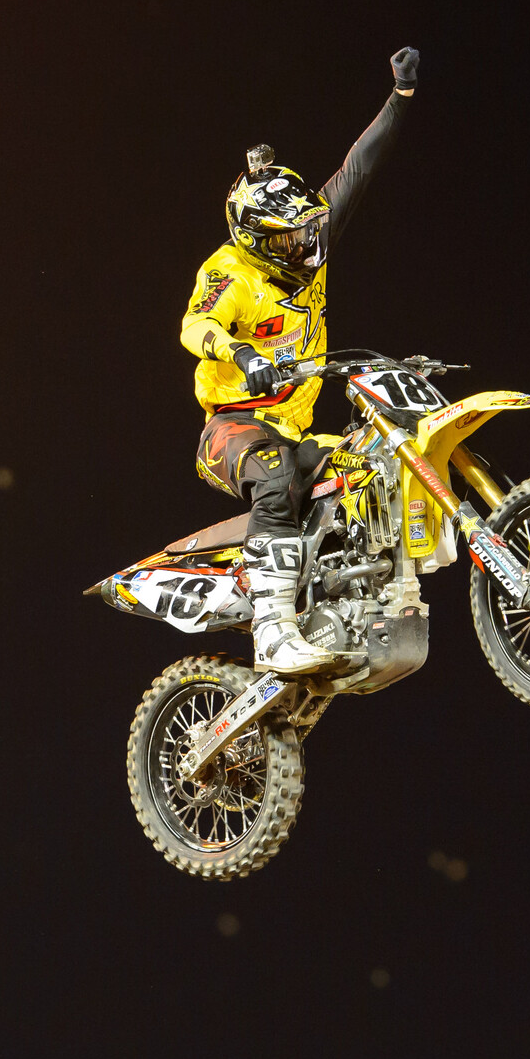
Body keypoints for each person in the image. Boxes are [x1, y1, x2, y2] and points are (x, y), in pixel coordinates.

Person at [178, 45, 418, 674]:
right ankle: (273, 629)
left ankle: (362, 602)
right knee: (275, 476)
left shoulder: (310, 240)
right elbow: (194, 324)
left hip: (296, 428)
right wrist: (239, 351)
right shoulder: (228, 272)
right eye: (287, 237)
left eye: (307, 228)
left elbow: (357, 170)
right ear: (256, 240)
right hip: (232, 426)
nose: (305, 242)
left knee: (371, 467)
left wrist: (401, 98)